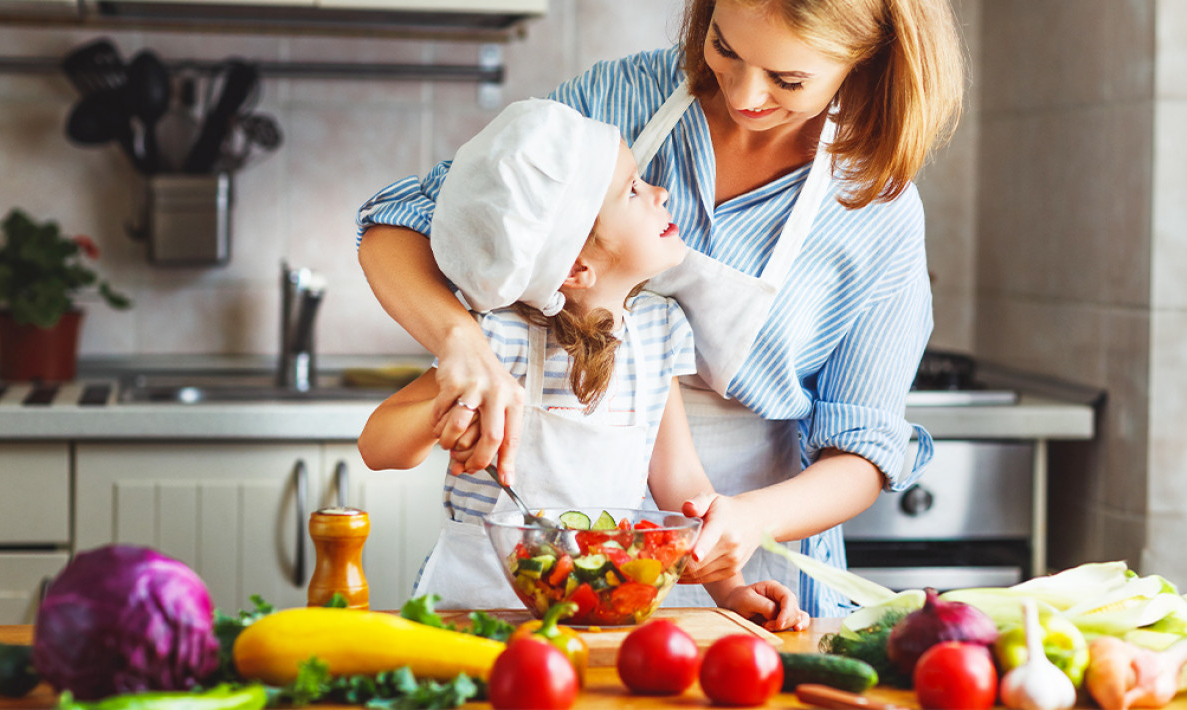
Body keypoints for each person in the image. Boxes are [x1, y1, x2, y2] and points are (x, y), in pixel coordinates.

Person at [356, 0, 964, 618]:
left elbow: (864, 447)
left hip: (739, 548)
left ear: (866, 58)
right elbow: (406, 221)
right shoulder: (621, 100)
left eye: (788, 80)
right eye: (724, 47)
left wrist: (744, 532)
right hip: (512, 596)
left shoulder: (873, 209)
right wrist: (463, 346)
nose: (745, 95)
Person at [358, 99, 810, 630]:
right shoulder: (498, 338)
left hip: (603, 607)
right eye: (634, 190)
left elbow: (678, 479)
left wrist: (729, 590)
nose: (659, 192)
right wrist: (442, 416)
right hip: (475, 610)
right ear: (576, 266)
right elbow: (376, 445)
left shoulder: (658, 330)